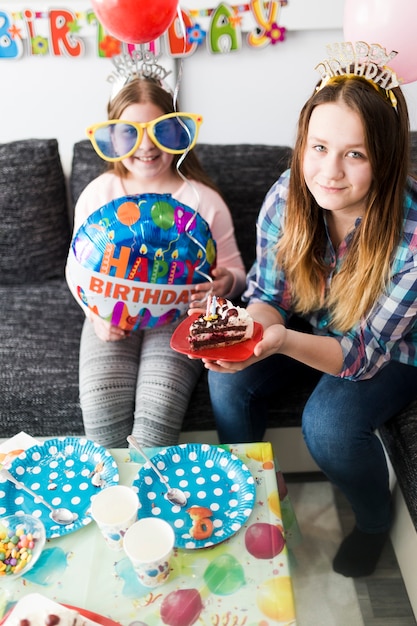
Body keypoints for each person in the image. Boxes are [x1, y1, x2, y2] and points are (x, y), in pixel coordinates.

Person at [205, 43, 417, 578]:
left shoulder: (411, 237)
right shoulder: (287, 196)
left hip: (392, 348)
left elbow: (362, 356)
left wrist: (278, 343)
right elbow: (271, 299)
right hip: (322, 323)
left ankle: (372, 520)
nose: (329, 172)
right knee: (228, 382)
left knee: (327, 425)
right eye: (319, 147)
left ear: (386, 160)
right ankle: (250, 494)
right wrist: (245, 334)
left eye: (356, 154)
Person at [66, 61, 246, 449]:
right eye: (130, 134)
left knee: (159, 405)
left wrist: (224, 283)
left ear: (178, 133)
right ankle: (110, 497)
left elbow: (236, 271)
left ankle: (153, 499)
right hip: (111, 312)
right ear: (113, 138)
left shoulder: (203, 199)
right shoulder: (98, 194)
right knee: (100, 403)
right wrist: (95, 317)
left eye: (160, 131)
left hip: (179, 313)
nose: (146, 146)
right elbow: (77, 269)